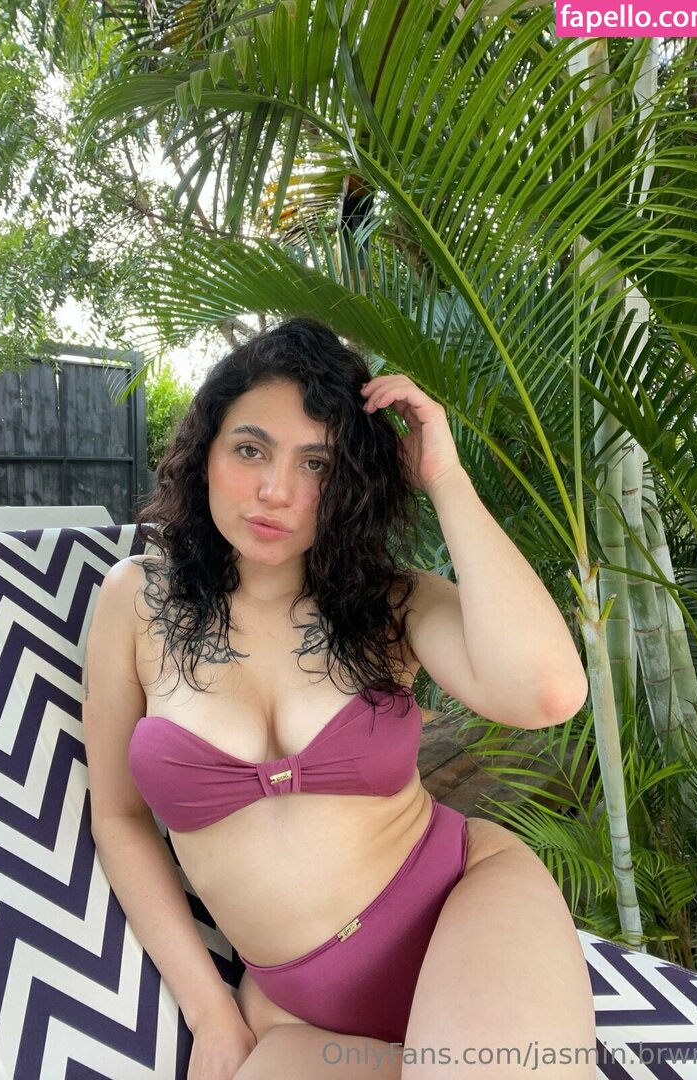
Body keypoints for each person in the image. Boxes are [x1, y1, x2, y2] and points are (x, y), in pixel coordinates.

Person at [83, 316, 597, 1079]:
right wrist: (209, 1012)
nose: (276, 490)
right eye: (250, 449)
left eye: (316, 462)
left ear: (350, 480)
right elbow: (120, 819)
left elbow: (549, 691)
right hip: (295, 1012)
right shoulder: (135, 602)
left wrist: (444, 478)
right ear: (206, 451)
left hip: (465, 906)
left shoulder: (392, 603)